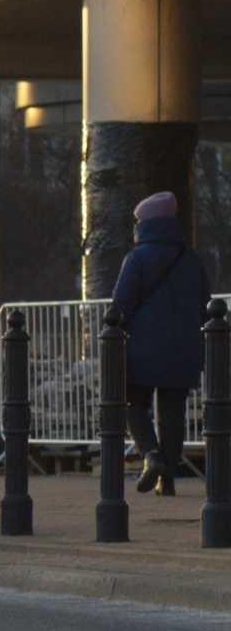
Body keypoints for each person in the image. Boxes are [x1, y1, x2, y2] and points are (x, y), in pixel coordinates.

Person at [110, 191, 213, 495]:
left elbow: (121, 306)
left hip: (143, 349)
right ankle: (166, 480)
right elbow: (205, 306)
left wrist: (114, 335)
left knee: (132, 404)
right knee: (172, 415)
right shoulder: (191, 259)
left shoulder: (137, 258)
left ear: (145, 225)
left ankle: (151, 455)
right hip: (184, 350)